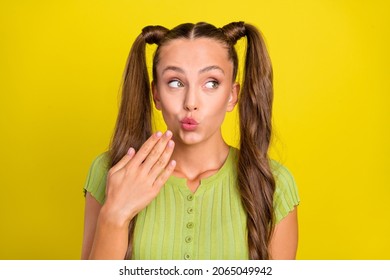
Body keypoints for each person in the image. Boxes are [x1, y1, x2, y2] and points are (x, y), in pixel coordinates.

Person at [81, 21, 300, 260]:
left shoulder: (273, 183)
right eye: (175, 82)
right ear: (156, 94)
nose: (191, 102)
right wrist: (115, 214)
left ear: (231, 95)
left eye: (211, 83)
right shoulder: (110, 171)